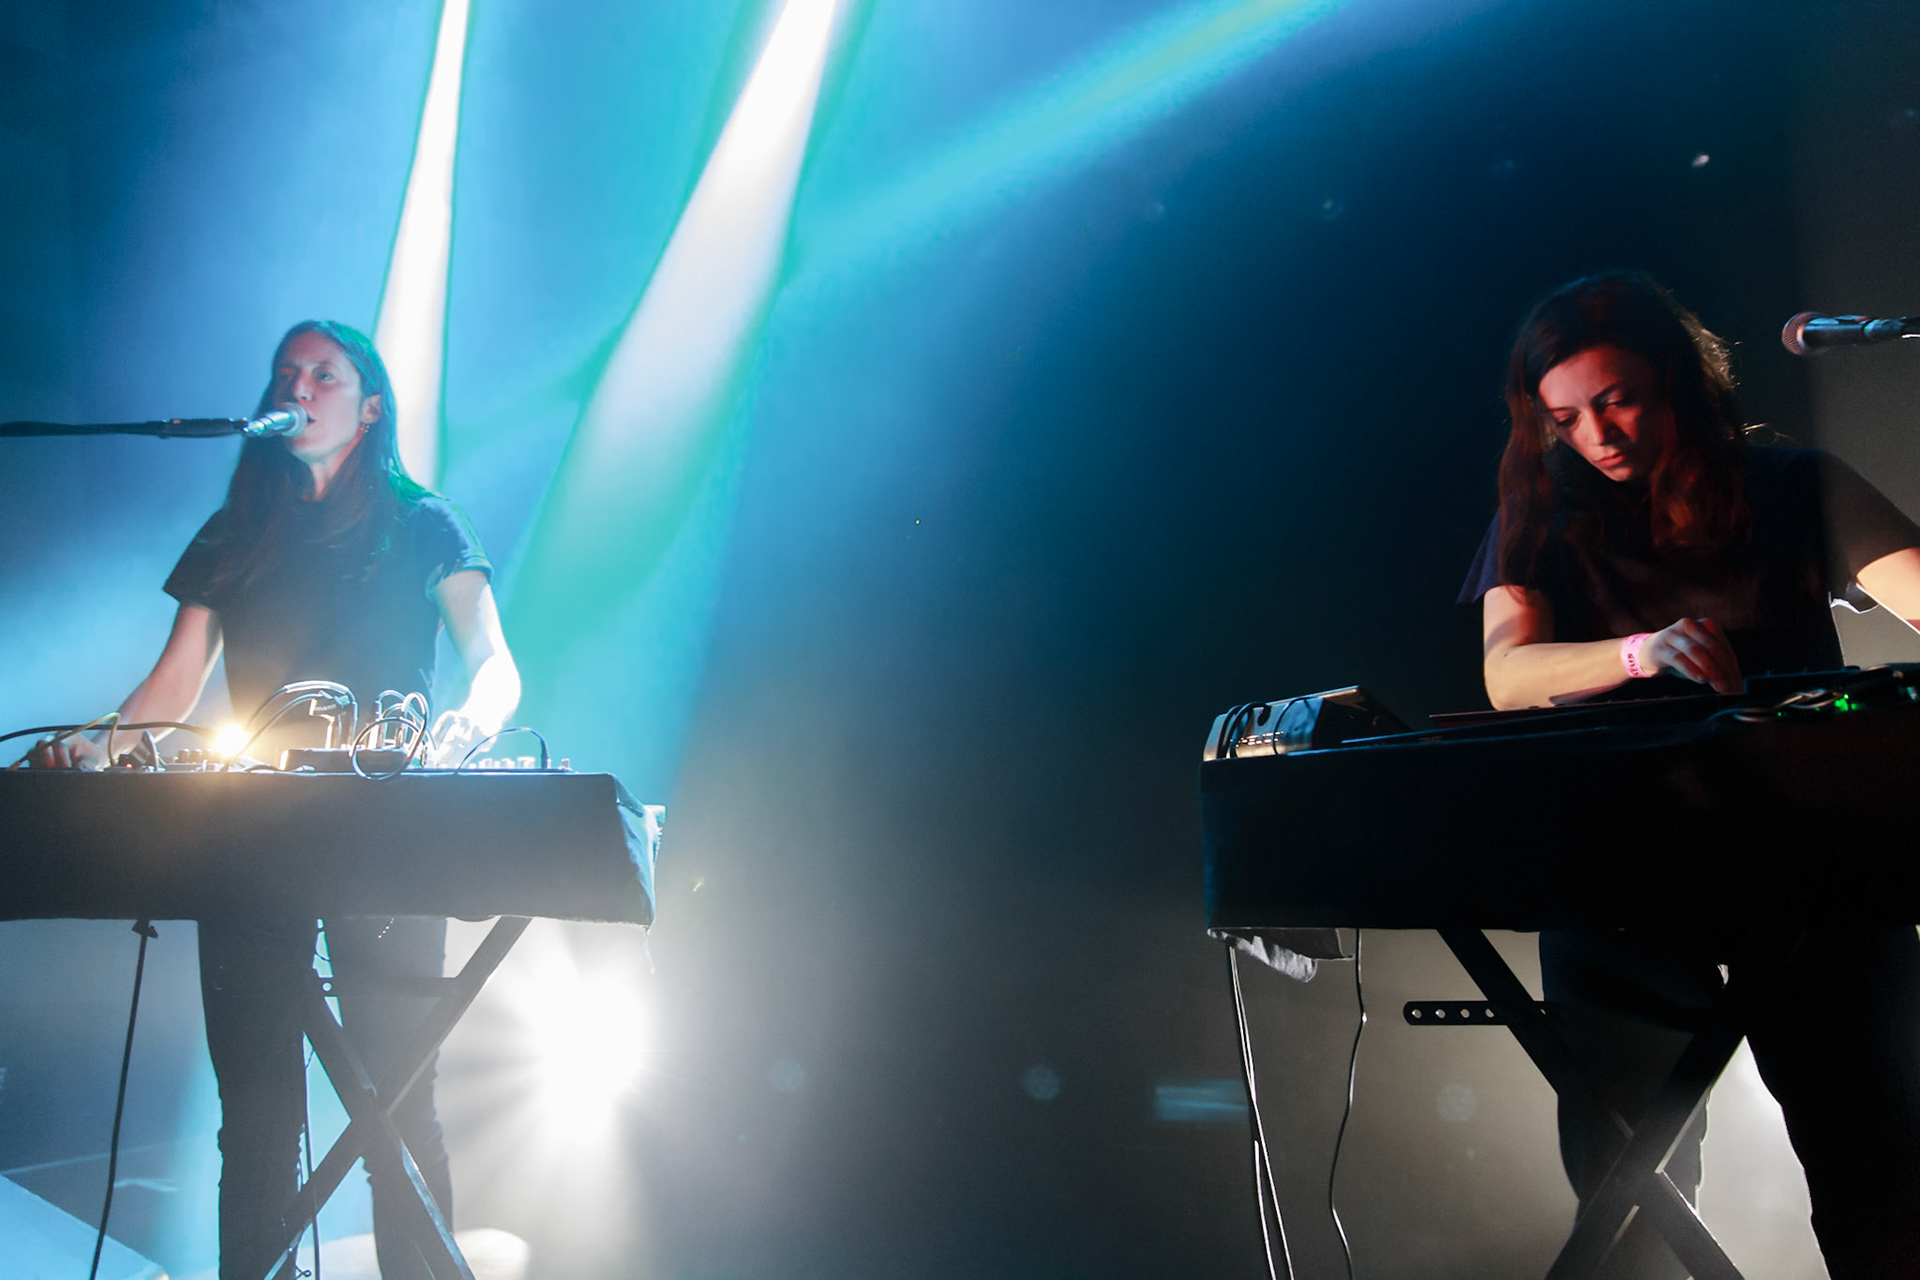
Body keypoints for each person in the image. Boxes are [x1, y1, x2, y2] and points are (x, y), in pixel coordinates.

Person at [30, 320, 520, 1279]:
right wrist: (99, 742)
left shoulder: (422, 519)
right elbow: (174, 684)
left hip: (385, 820)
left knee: (394, 1093)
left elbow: (494, 664)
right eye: (286, 374)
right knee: (255, 1105)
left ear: (370, 403)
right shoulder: (234, 531)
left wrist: (471, 725)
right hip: (248, 825)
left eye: (324, 375)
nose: (299, 387)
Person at [1460, 271, 1920, 1278]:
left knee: (1876, 1157)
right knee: (1630, 1183)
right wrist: (1638, 651)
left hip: (1817, 853)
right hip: (1620, 867)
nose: (1599, 434)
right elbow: (1508, 674)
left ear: (1678, 382)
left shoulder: (1797, 483)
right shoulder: (1538, 511)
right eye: (1567, 415)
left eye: (1618, 398)